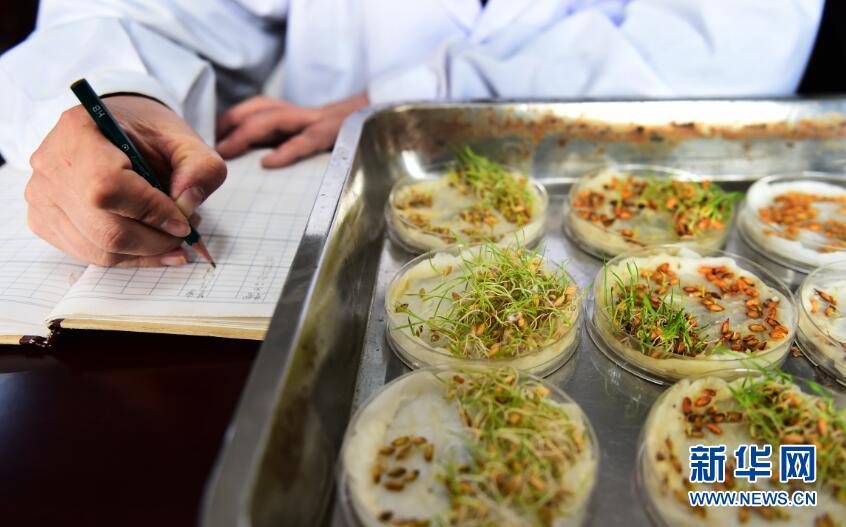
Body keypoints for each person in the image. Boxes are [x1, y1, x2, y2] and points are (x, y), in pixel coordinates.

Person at [0, 0, 824, 267]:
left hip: (636, 208)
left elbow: (723, 47)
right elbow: (141, 12)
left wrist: (412, 100)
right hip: (307, 205)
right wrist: (116, 93)